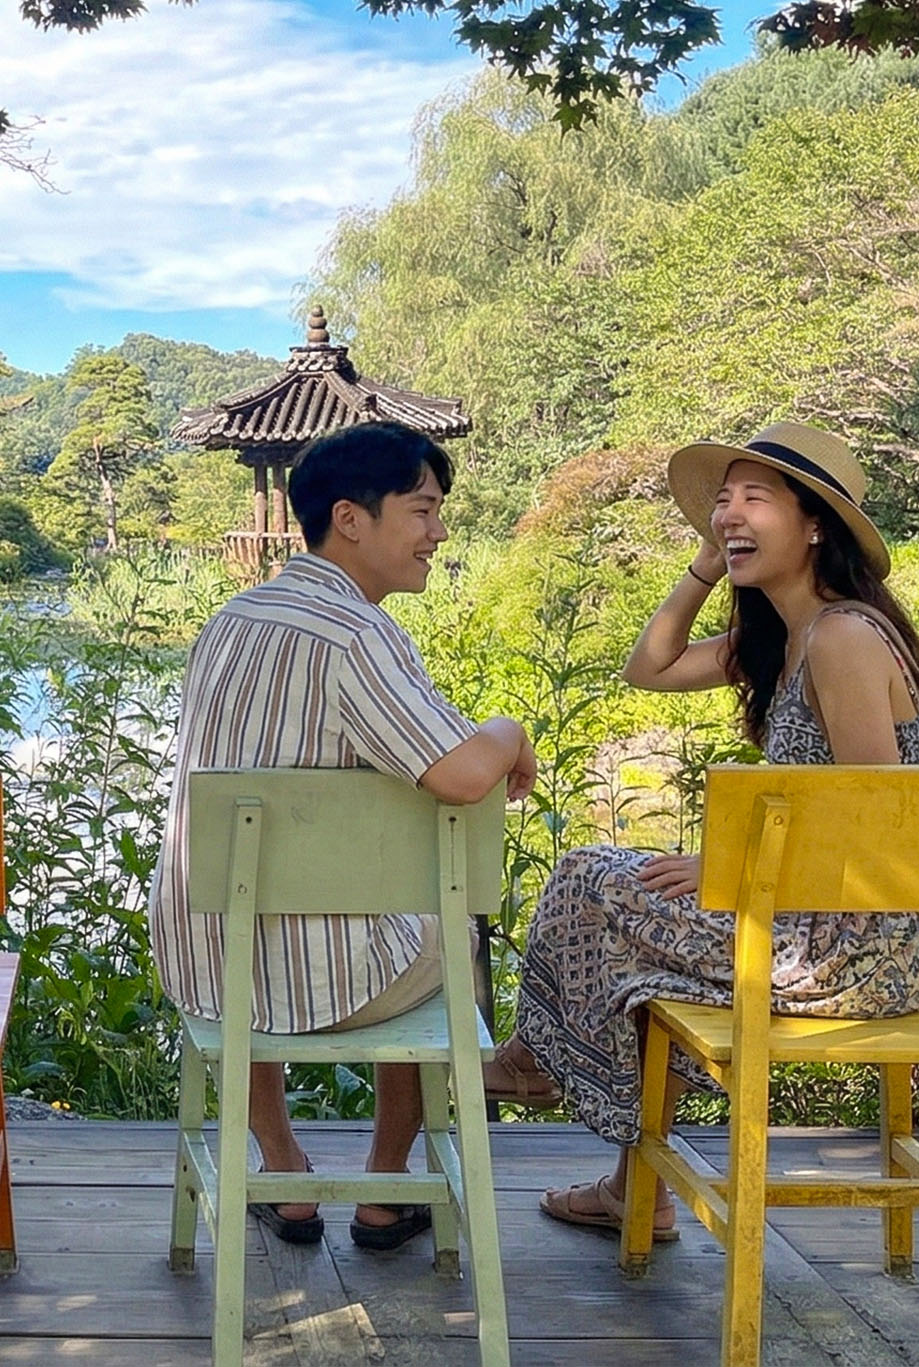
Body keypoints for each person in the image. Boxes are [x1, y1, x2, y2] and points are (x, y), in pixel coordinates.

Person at [490, 422, 919, 1240]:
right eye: (723, 500)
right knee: (610, 890)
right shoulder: (784, 636)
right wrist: (706, 566)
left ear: (816, 525)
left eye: (755, 499)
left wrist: (725, 867)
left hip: (858, 950)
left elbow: (880, 824)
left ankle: (537, 1070)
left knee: (594, 881)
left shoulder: (843, 638)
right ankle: (630, 1180)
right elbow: (650, 667)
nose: (729, 514)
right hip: (810, 923)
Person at [148, 421, 538, 1249]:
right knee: (451, 927)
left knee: (255, 908)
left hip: (204, 956)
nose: (439, 531)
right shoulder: (360, 635)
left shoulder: (229, 620)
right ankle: (388, 1184)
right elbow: (463, 774)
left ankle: (282, 1165)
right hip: (333, 982)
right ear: (351, 518)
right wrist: (510, 730)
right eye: (423, 509)